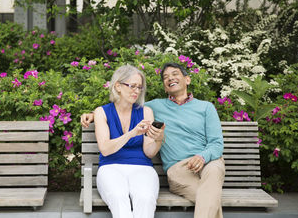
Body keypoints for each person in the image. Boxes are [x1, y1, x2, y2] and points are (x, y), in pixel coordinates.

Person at [81, 62, 225, 218]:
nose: (170, 78)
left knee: (212, 176)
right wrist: (95, 115)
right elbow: (119, 108)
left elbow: (216, 144)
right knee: (209, 198)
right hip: (179, 168)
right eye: (165, 77)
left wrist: (201, 156)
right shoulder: (156, 107)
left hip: (207, 162)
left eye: (175, 74)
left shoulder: (206, 107)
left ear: (187, 80)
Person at [91, 64, 164, 218]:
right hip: (111, 167)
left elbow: (148, 152)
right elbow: (105, 149)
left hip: (142, 167)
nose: (136, 91)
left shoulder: (146, 112)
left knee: (145, 199)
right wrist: (132, 133)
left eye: (139, 87)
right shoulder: (101, 112)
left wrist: (158, 140)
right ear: (118, 86)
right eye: (132, 86)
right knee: (118, 197)